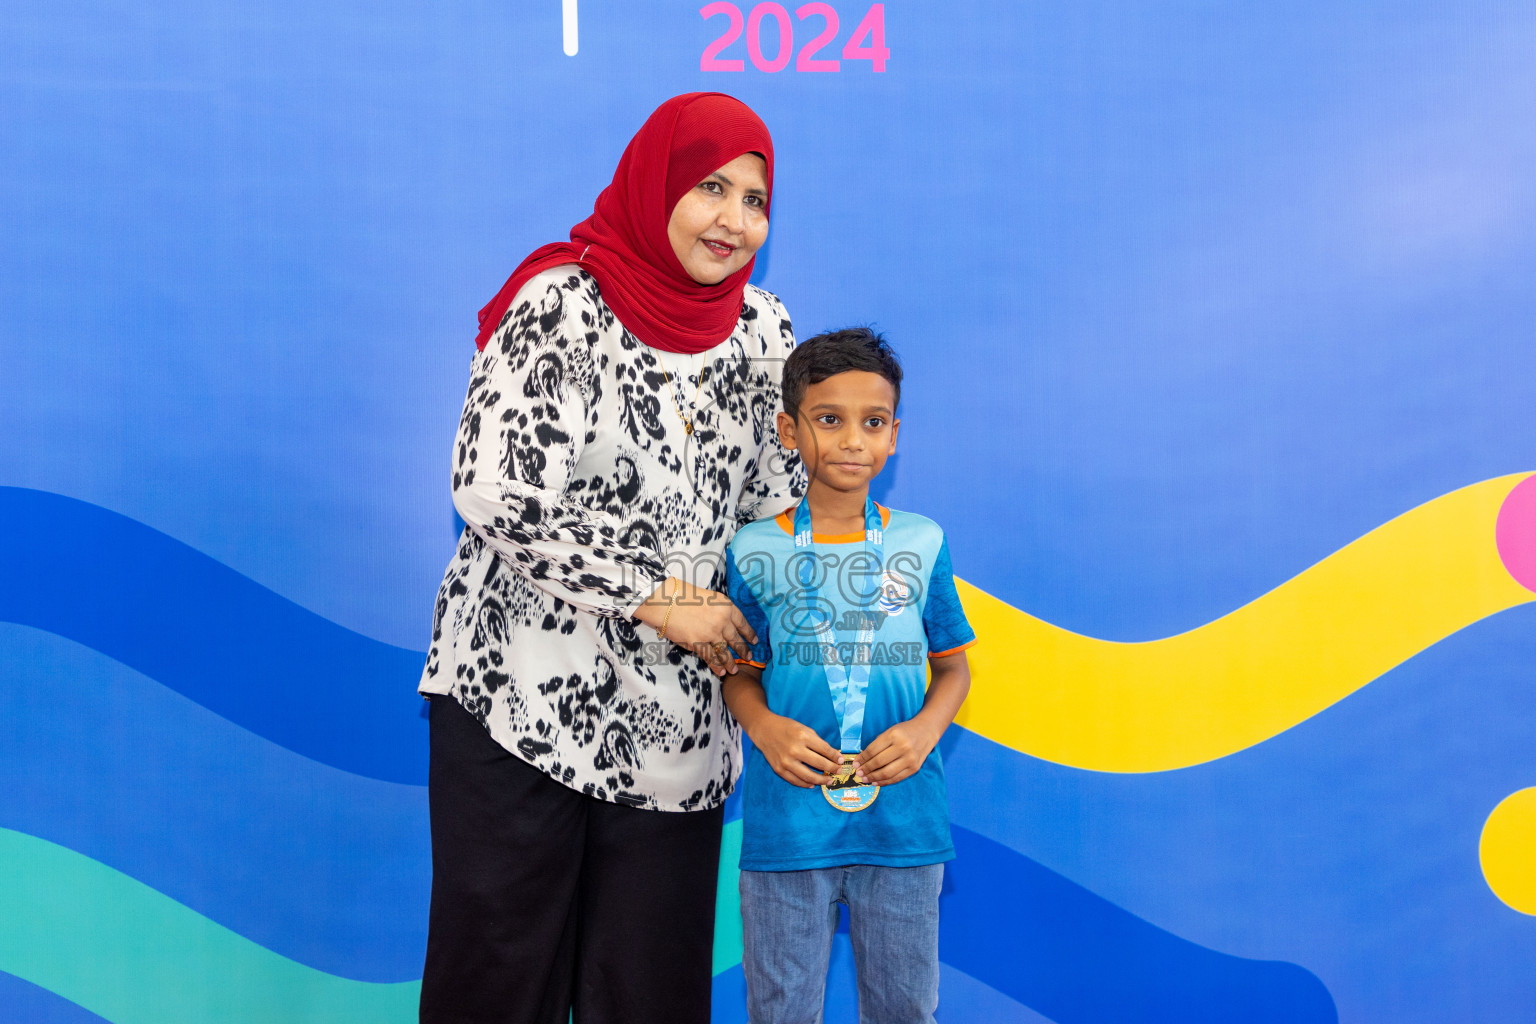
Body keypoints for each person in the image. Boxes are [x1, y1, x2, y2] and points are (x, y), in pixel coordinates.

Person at [417, 93, 804, 1024]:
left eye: (756, 200)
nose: (735, 219)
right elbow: (491, 488)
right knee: (497, 984)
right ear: (657, 182)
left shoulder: (763, 331)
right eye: (711, 187)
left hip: (678, 730)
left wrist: (822, 627)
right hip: (519, 701)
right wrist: (656, 596)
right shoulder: (560, 303)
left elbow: (773, 510)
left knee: (649, 996)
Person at [722, 328, 976, 1024]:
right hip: (786, 828)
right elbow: (739, 673)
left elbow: (953, 668)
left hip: (904, 827)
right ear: (789, 429)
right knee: (780, 1013)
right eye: (829, 420)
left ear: (894, 435)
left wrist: (925, 731)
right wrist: (764, 726)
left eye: (873, 423)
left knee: (904, 1011)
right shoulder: (754, 547)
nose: (852, 440)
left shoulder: (922, 542)